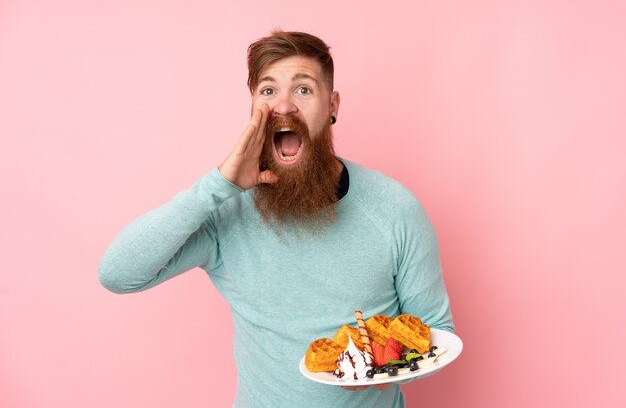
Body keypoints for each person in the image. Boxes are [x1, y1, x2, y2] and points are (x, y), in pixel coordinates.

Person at [99, 30, 454, 408]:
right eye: (268, 91)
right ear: (253, 107)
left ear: (332, 105)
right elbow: (118, 274)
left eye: (303, 90)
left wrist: (383, 375)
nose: (283, 106)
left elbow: (437, 332)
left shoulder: (394, 209)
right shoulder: (225, 212)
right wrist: (217, 186)